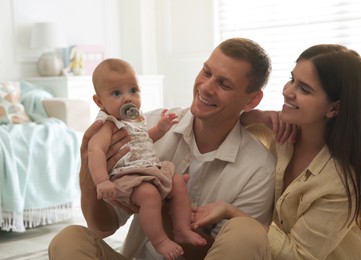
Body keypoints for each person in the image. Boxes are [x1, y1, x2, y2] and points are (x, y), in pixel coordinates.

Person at [48, 37, 277, 259]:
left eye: (224, 84)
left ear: (251, 101)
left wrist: (165, 206)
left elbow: (229, 253)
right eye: (206, 72)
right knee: (70, 239)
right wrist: (88, 166)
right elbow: (103, 227)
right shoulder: (143, 127)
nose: (206, 87)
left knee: (246, 235)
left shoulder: (258, 169)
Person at [191, 44, 361, 259]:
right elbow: (225, 116)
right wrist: (257, 116)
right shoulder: (282, 135)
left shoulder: (340, 182)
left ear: (334, 108)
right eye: (291, 79)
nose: (287, 91)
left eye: (304, 89)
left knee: (242, 232)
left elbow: (298, 256)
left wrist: (231, 212)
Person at [87, 58, 207, 259]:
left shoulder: (135, 119)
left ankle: (181, 228)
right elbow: (95, 151)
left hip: (150, 169)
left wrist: (160, 129)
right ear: (99, 101)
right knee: (149, 195)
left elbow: (143, 140)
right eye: (117, 93)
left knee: (177, 180)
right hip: (128, 177)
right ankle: (160, 240)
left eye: (133, 90)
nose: (128, 98)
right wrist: (102, 181)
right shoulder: (108, 125)